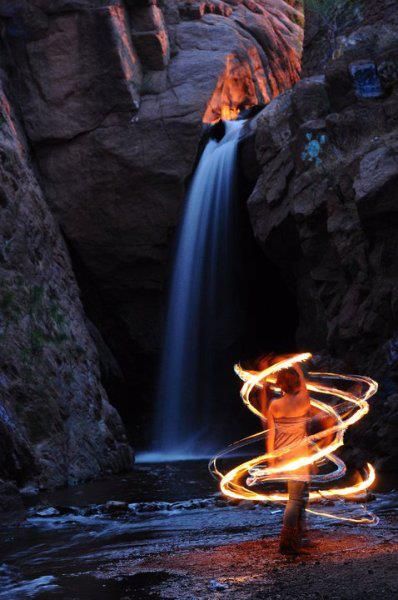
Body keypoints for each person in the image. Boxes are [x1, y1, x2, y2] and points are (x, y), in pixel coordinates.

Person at [267, 364, 311, 555]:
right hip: (300, 455)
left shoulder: (274, 405)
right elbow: (304, 385)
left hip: (286, 455)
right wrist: (297, 367)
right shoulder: (303, 400)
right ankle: (288, 543)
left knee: (302, 496)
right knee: (295, 499)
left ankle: (300, 536)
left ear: (280, 385)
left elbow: (271, 434)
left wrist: (272, 460)